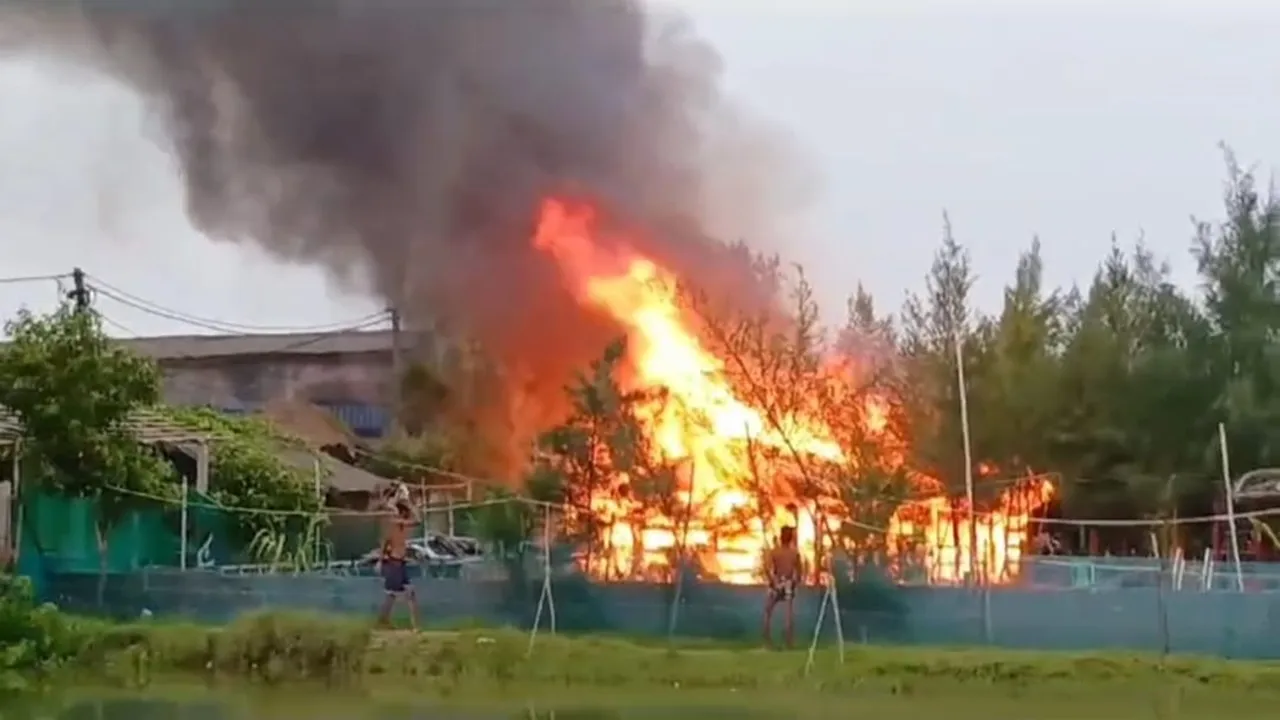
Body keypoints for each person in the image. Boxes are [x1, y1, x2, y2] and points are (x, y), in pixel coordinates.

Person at [376, 483, 420, 630]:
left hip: (400, 563)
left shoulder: (399, 524)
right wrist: (381, 561)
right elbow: (384, 542)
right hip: (394, 563)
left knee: (393, 596)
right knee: (404, 594)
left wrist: (407, 502)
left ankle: (384, 622)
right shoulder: (395, 522)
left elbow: (416, 520)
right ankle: (413, 627)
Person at [763, 525, 804, 649]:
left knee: (768, 612)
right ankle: (789, 642)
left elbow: (767, 568)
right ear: (791, 538)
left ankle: (768, 642)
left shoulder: (774, 552)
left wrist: (773, 582)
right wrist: (794, 583)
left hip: (776, 583)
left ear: (781, 537)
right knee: (788, 613)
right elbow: (799, 571)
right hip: (788, 584)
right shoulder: (794, 553)